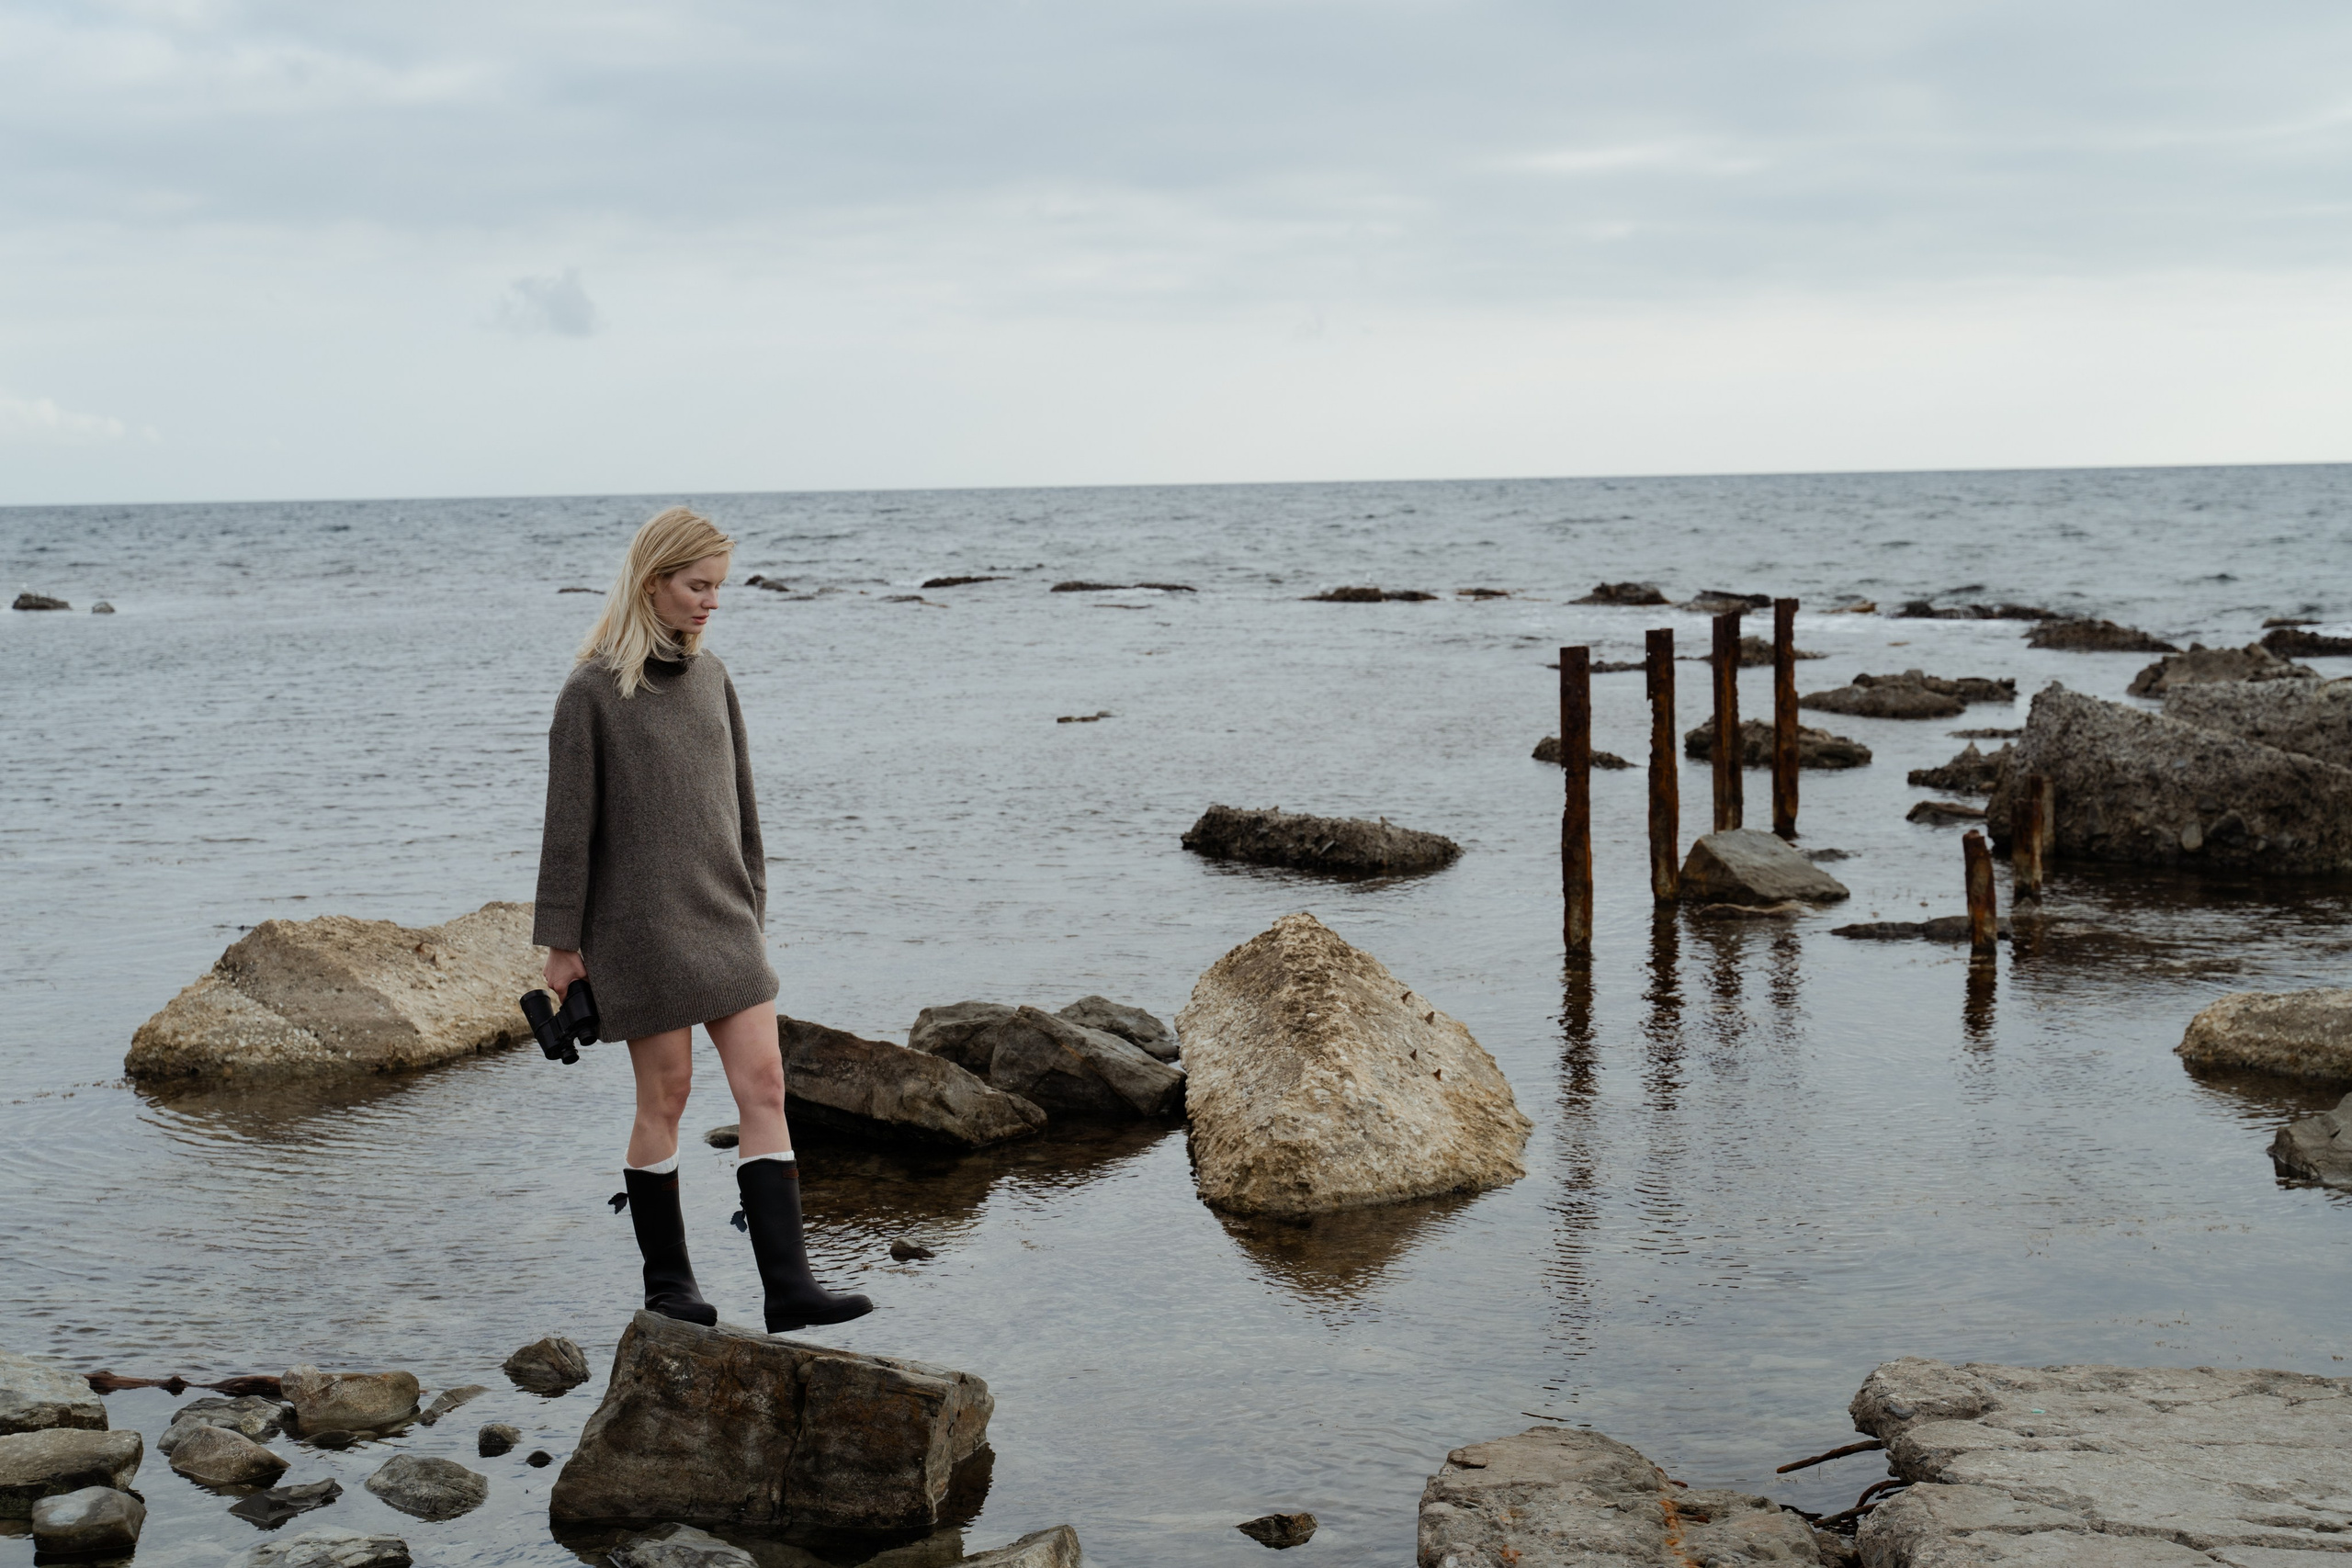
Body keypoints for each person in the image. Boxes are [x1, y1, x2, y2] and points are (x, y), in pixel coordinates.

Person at [532, 505, 872, 1333]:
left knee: (766, 1084)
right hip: (639, 931)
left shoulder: (715, 677)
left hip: (724, 920)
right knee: (670, 1095)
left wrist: (754, 904)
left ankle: (790, 1289)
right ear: (654, 583)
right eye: (698, 585)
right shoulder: (590, 693)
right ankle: (670, 1288)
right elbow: (567, 827)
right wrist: (561, 946)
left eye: (718, 586)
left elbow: (743, 803)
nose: (712, 600)